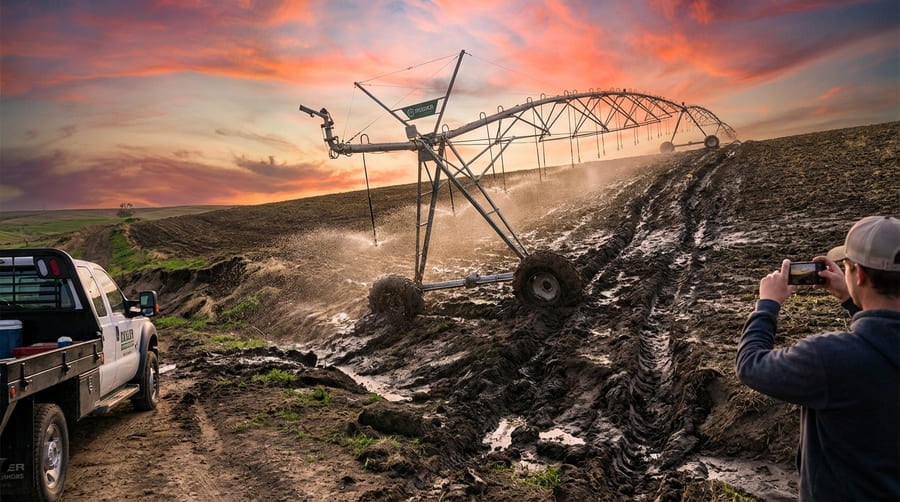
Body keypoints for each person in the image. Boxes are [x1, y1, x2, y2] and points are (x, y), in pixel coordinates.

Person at [736, 216, 900, 501]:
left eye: (847, 267)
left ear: (858, 275)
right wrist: (851, 301)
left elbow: (751, 365)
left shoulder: (831, 358)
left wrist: (767, 306)